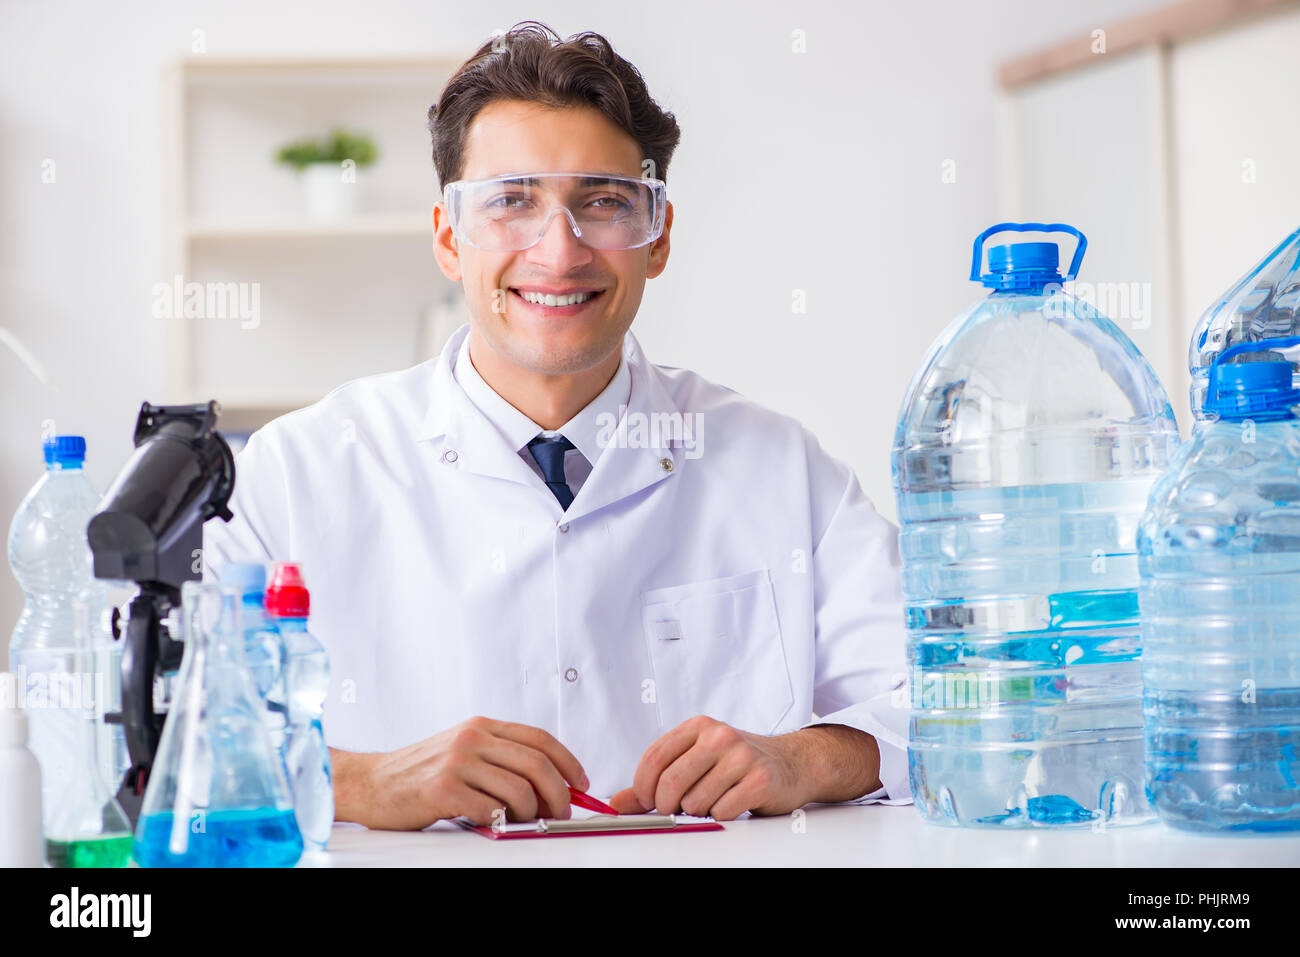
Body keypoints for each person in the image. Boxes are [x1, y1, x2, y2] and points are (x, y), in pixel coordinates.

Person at [203, 21, 910, 829]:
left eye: (602, 203)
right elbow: (172, 734)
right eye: (512, 202)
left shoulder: (779, 466)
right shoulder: (297, 472)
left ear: (658, 236)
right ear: (447, 238)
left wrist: (803, 756)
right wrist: (365, 782)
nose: (559, 250)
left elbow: (947, 705)